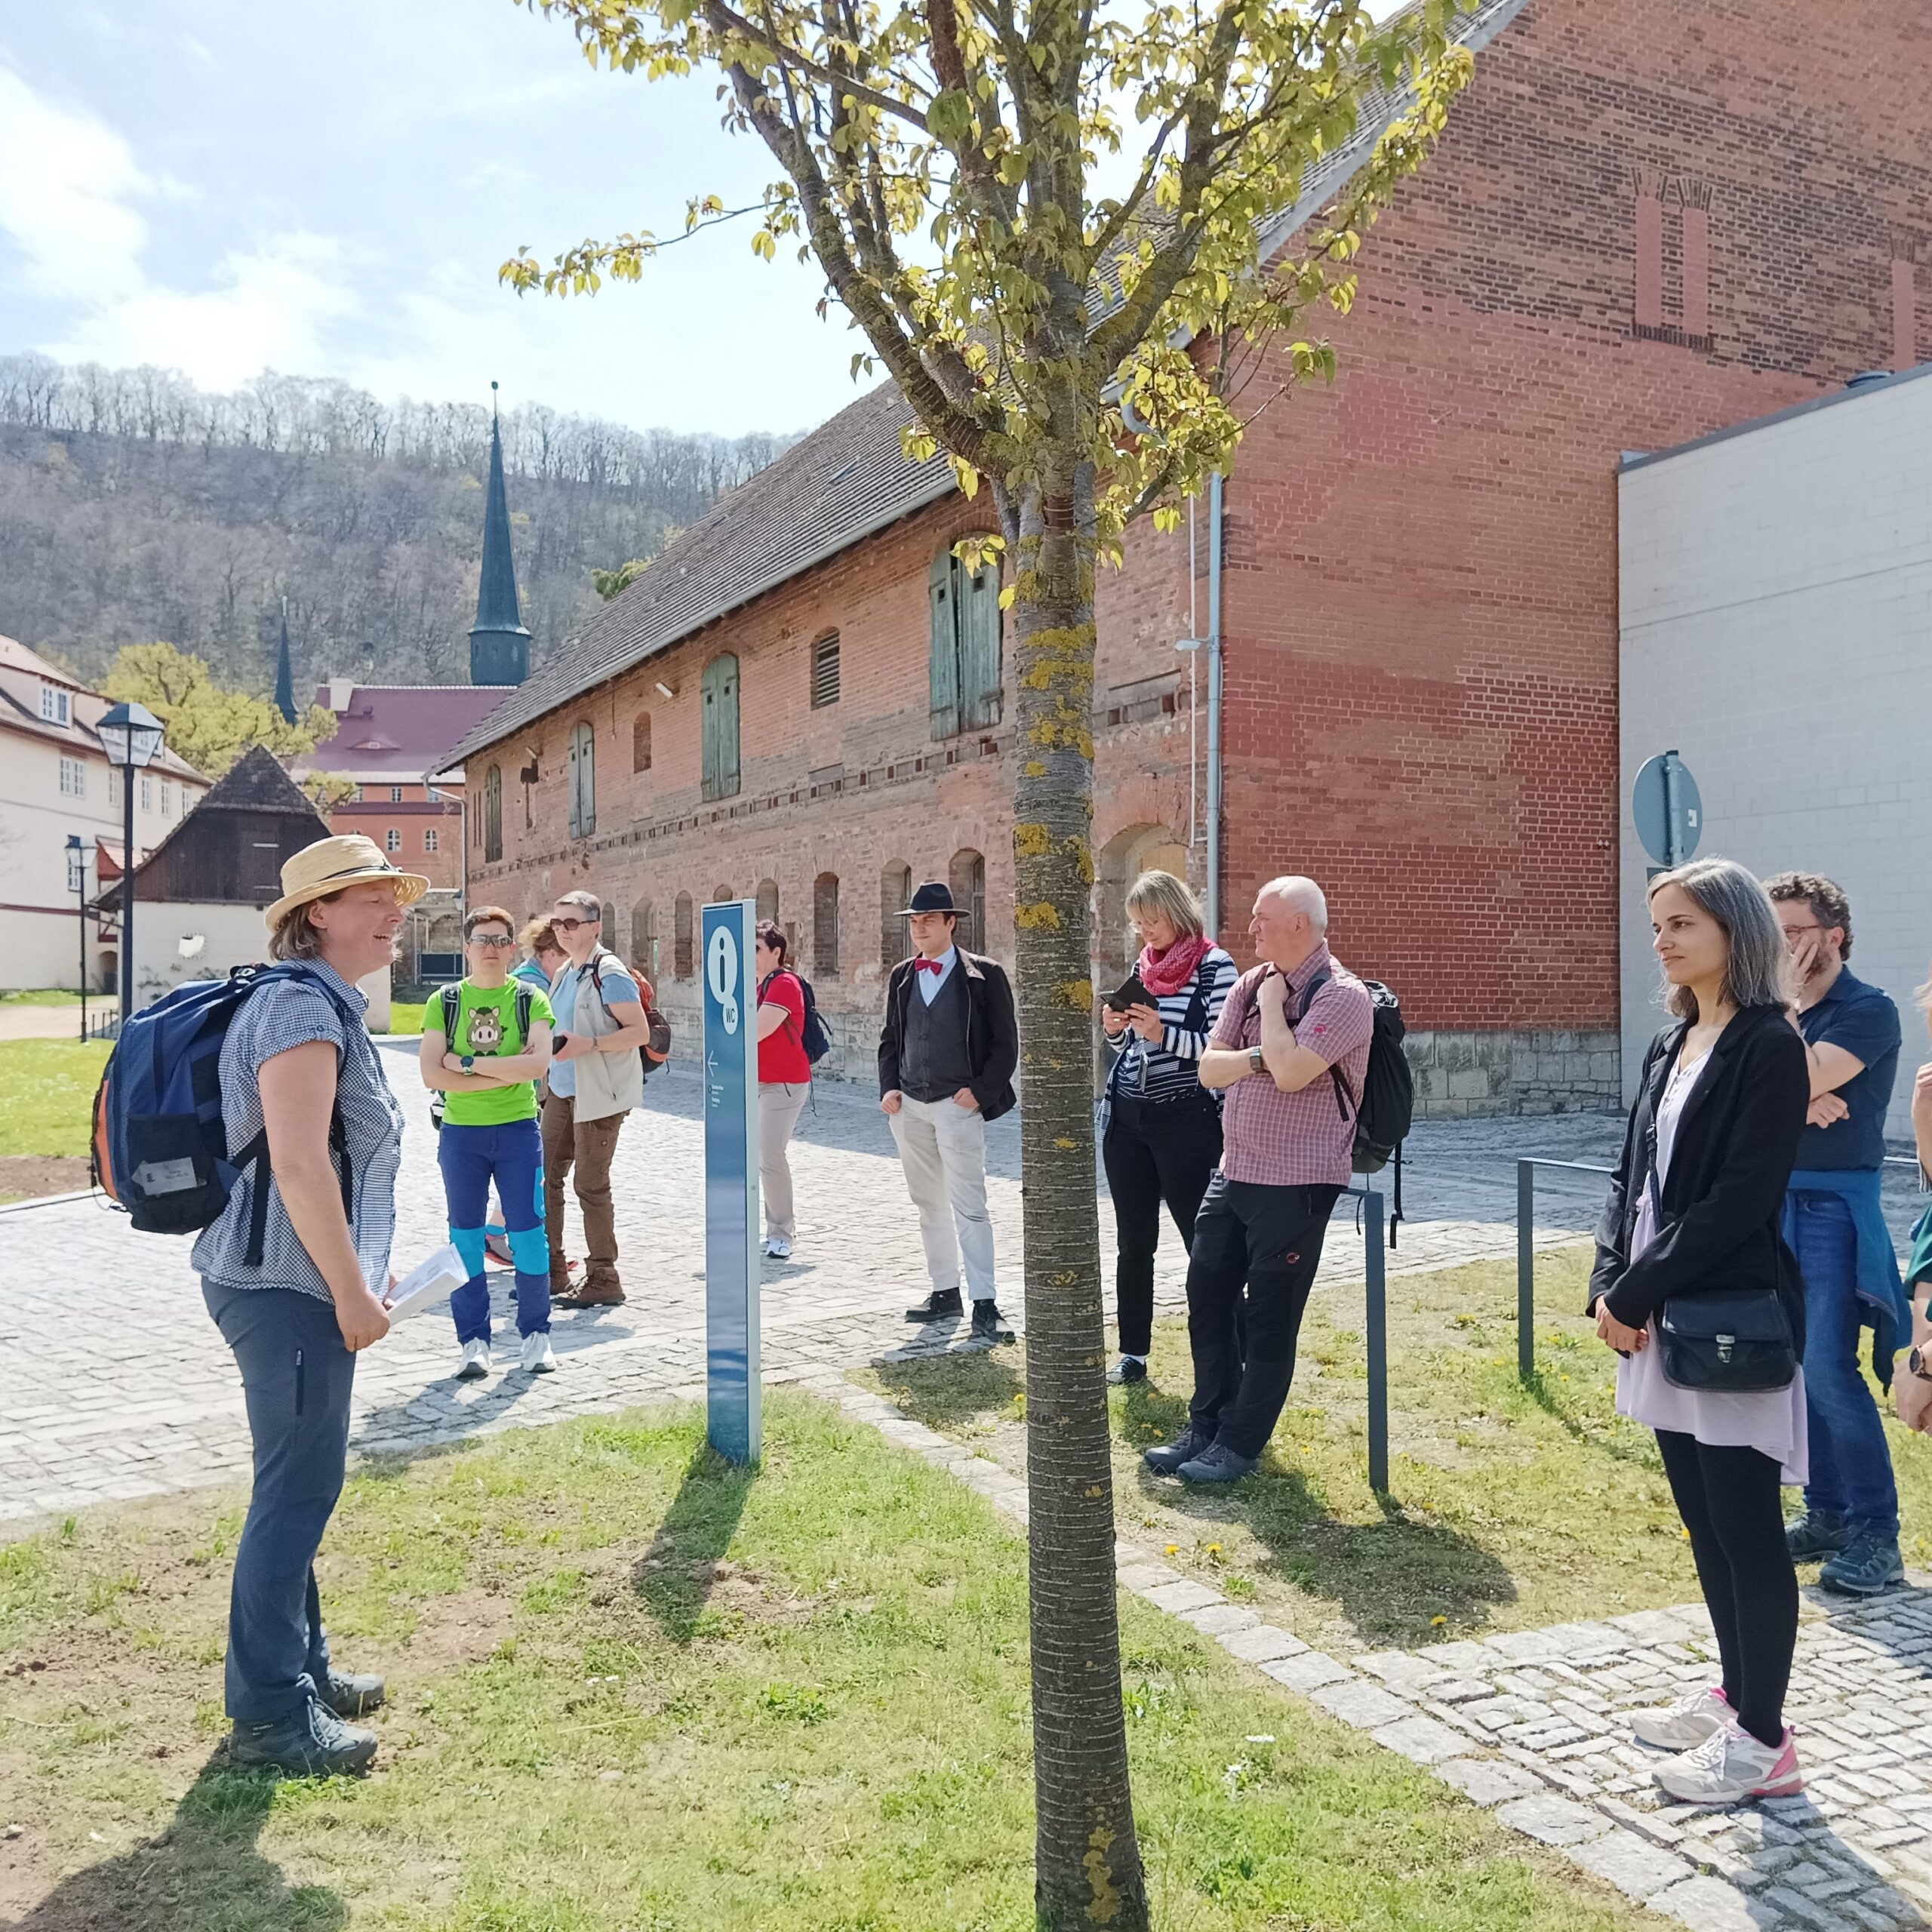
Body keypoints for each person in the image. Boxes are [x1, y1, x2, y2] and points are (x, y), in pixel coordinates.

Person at [192, 833, 423, 1776]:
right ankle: (268, 1717)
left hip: (298, 1282)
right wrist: (350, 1289)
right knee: (295, 1494)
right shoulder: (296, 1007)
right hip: (284, 1291)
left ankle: (303, 1670)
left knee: (299, 1488)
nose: (394, 910)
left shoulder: (320, 1002)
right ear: (316, 913)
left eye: (394, 894)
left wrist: (359, 1273)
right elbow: (295, 1164)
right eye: (372, 896)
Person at [1590, 858, 1809, 1806]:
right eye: (1657, 925)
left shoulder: (1769, 1044)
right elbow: (1627, 1176)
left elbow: (1739, 1200)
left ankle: (1764, 1742)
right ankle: (1734, 1695)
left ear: (1734, 929)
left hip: (1723, 1311)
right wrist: (1607, 1280)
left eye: (1682, 922)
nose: (1663, 940)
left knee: (1746, 1526)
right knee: (1702, 1519)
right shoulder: (1671, 1040)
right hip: (1655, 1307)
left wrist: (1640, 1285)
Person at [1145, 875, 1371, 1483]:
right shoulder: (1248, 984)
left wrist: (1273, 1012)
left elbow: (1294, 1073)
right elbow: (1208, 1069)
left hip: (1298, 1183)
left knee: (1270, 1318)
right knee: (1207, 1301)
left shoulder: (1343, 996)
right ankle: (1205, 1427)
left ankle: (1239, 1445)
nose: (1251, 928)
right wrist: (1259, 1057)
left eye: (1261, 918)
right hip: (1235, 1171)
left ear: (1299, 923)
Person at [1764, 872, 1909, 1595]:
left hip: (1832, 1208)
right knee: (1793, 1367)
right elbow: (1740, 1087)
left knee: (1827, 1367)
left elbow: (1788, 1075)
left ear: (1835, 936)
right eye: (1773, 933)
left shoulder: (1869, 1010)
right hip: (1771, 1205)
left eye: (1792, 932)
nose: (1781, 946)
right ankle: (1825, 1512)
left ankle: (1877, 1532)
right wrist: (1797, 1095)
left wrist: (1792, 1063)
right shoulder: (1768, 1012)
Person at [1098, 869, 1235, 1384]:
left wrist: (1163, 1034)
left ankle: (1227, 1350)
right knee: (1133, 1242)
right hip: (1128, 1117)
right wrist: (1116, 1031)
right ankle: (1133, 1352)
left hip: (1187, 1118)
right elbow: (1133, 1045)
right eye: (1138, 923)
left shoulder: (1215, 966)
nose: (1145, 932)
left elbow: (1222, 1050)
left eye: (1152, 920)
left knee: (1203, 1242)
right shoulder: (1145, 964)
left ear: (1177, 912)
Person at [420, 905, 557, 1380]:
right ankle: (473, 1342)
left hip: (518, 1131)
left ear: (511, 947)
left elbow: (537, 1066)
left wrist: (468, 1064)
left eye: (500, 940)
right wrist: (504, 1071)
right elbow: (431, 1074)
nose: (492, 949)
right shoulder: (445, 1002)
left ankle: (536, 1335)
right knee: (465, 1239)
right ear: (467, 948)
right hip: (462, 1136)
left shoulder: (530, 998)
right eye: (482, 940)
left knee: (528, 1235)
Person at [878, 880, 1020, 1343]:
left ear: (950, 923)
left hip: (957, 1106)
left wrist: (979, 1092)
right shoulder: (902, 975)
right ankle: (944, 1291)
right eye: (915, 922)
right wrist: (889, 1088)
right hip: (910, 1106)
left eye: (929, 921)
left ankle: (986, 1302)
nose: (920, 929)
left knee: (969, 1205)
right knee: (928, 1203)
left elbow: (1005, 1044)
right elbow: (891, 1039)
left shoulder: (984, 975)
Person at [542, 891, 650, 1306]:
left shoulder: (611, 971)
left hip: (599, 1095)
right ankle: (551, 1269)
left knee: (590, 1184)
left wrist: (588, 1044)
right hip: (562, 1090)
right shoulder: (565, 971)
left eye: (571, 923)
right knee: (545, 1176)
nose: (561, 930)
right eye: (556, 923)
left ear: (595, 927)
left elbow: (638, 1032)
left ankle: (604, 1275)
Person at [754, 921, 812, 1260]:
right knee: (757, 1155)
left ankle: (782, 1233)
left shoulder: (785, 984)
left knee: (769, 1154)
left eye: (757, 949)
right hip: (753, 1082)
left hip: (783, 1084)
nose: (750, 956)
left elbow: (756, 1029)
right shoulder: (754, 986)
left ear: (776, 952)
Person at [515, 916, 565, 994]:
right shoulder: (535, 984)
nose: (571, 966)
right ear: (553, 954)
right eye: (569, 958)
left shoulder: (525, 971)